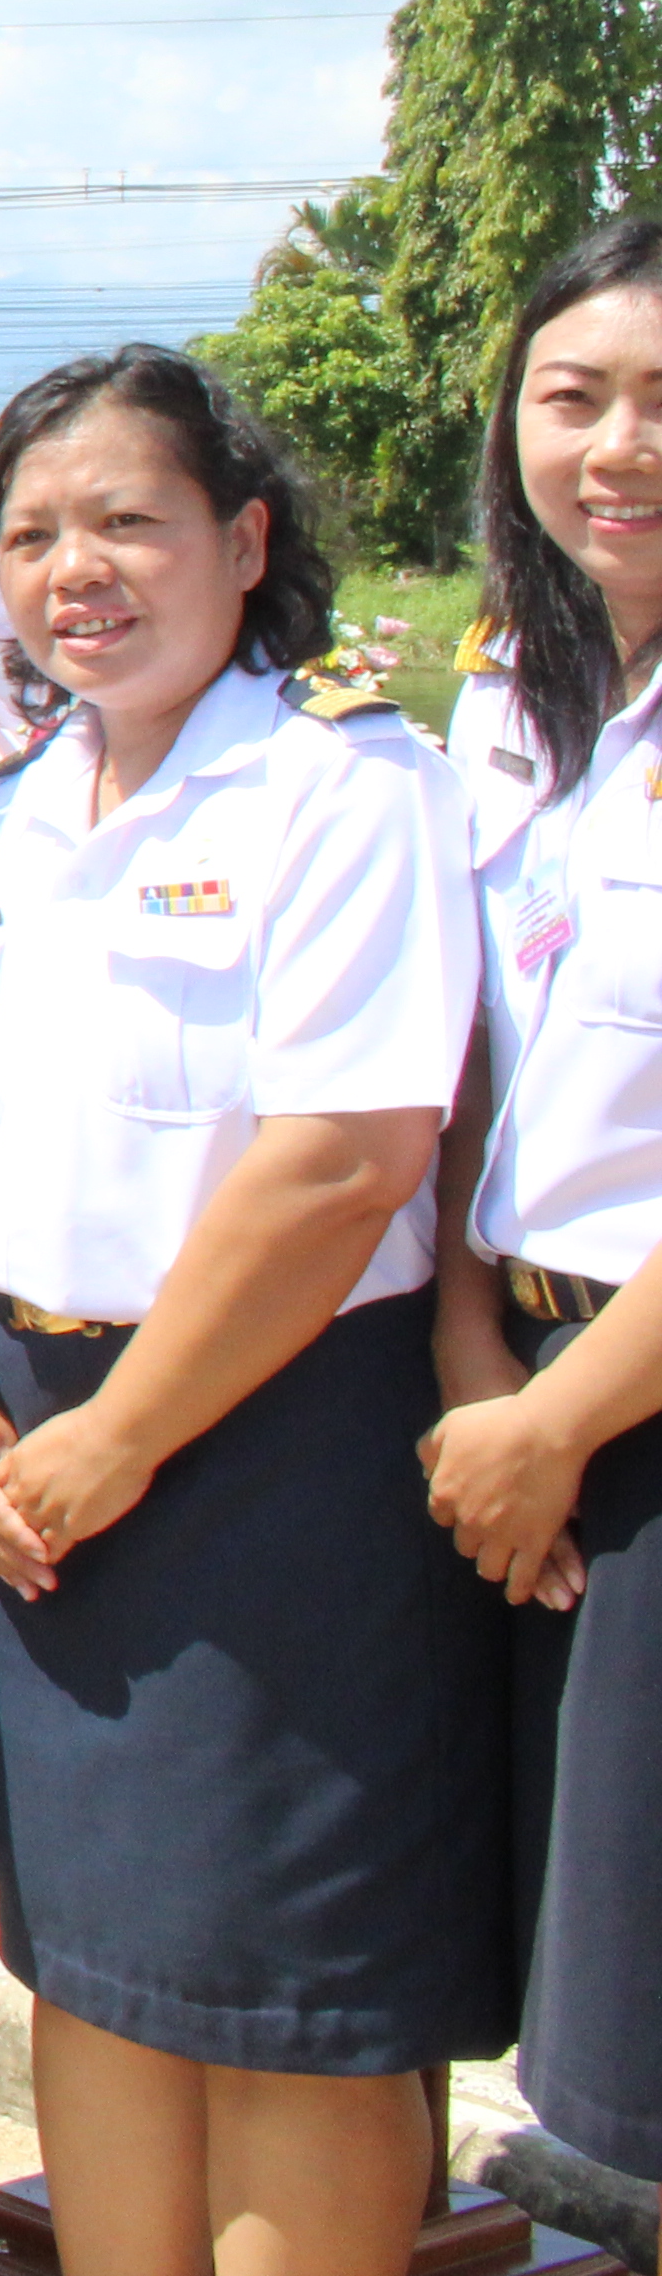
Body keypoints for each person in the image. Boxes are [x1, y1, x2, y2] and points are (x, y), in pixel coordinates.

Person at [0, 348, 500, 2276]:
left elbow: (344, 1163)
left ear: (244, 543)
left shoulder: (346, 788)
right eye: (33, 534)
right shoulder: (10, 812)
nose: (78, 569)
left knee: (287, 2011)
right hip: (33, 1447)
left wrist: (124, 1434)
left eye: (129, 522)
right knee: (91, 1966)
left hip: (258, 1459)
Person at [431, 219, 662, 2190]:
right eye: (574, 399)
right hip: (536, 1381)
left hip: (615, 1404)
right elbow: (494, 1082)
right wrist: (478, 1365)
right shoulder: (557, 717)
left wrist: (554, 1423)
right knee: (599, 2000)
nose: (615, 446)